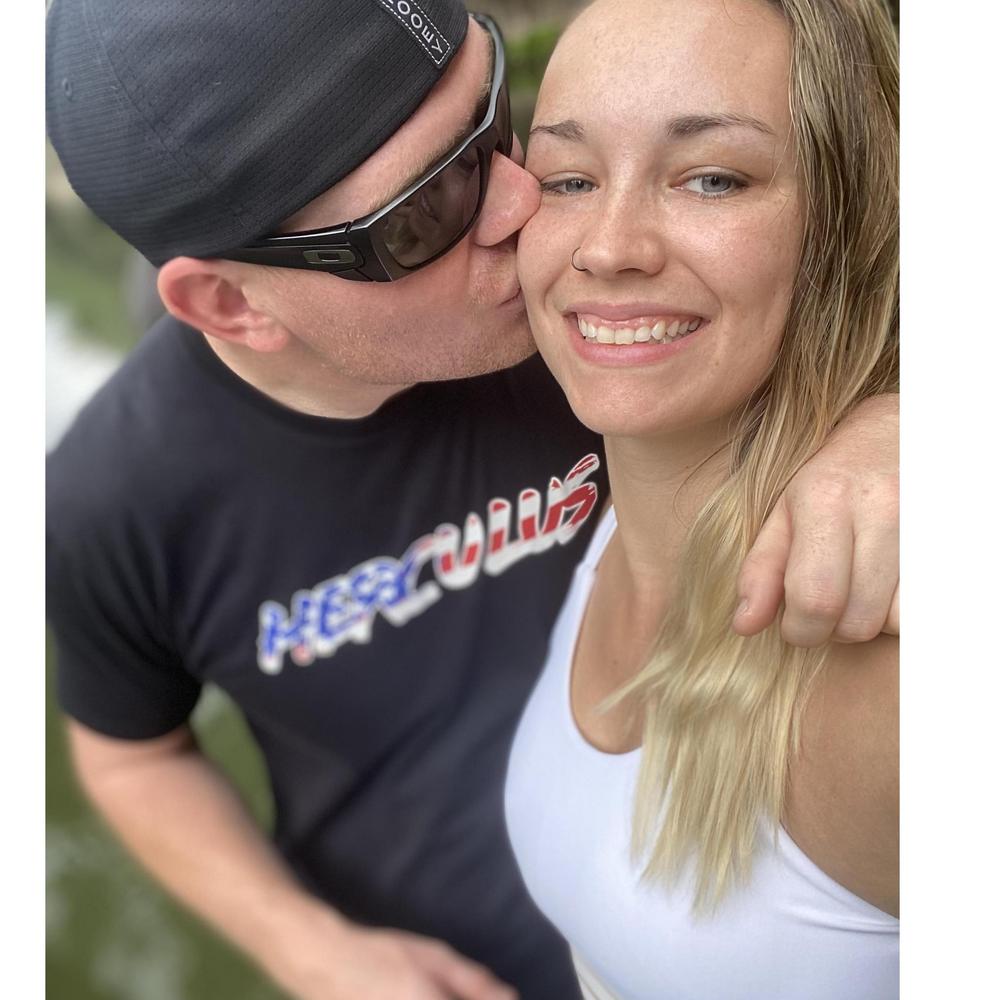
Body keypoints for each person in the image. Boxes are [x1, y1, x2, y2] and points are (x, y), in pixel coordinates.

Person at [46, 1, 899, 998]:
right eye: (426, 211)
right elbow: (133, 754)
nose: (525, 210)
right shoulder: (110, 501)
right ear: (232, 303)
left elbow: (850, 255)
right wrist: (305, 945)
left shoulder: (610, 320)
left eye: (497, 120)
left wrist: (896, 415)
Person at [505, 0, 899, 997]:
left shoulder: (888, 684)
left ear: (855, 218)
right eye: (568, 179)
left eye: (712, 177)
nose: (609, 247)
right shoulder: (608, 515)